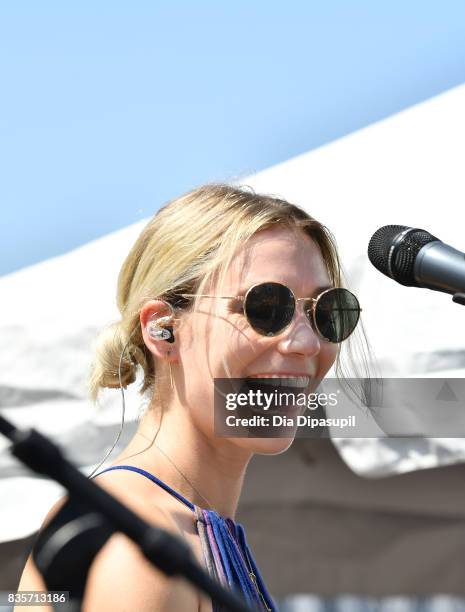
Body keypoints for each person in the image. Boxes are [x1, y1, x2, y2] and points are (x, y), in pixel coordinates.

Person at [16, 183, 363, 611]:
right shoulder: (137, 539)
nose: (305, 343)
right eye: (266, 308)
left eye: (326, 312)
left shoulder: (182, 526)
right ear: (164, 330)